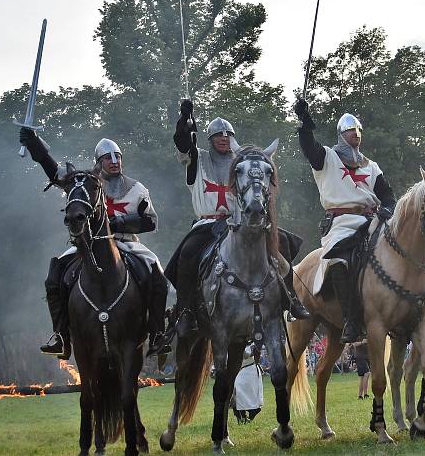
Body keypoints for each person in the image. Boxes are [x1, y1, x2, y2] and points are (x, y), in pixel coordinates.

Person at [18, 129, 170, 358]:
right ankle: (61, 335)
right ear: (99, 162)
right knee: (54, 276)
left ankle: (158, 333)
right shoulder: (84, 183)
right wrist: (35, 144)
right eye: (108, 157)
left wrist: (118, 223)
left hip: (127, 244)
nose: (114, 161)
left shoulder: (137, 189)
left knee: (157, 275)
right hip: (90, 244)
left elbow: (150, 221)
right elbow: (54, 171)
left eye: (117, 156)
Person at [167, 99, 309, 336]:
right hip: (208, 224)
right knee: (188, 252)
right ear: (210, 139)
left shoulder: (242, 163)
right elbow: (183, 144)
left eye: (227, 135)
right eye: (218, 135)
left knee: (282, 242)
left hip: (239, 223)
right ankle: (185, 311)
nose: (223, 138)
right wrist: (185, 119)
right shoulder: (197, 159)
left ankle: (291, 298)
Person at [294, 98, 396, 344]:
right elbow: (309, 147)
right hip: (340, 223)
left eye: (358, 130)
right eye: (351, 130)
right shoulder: (326, 158)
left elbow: (388, 195)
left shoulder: (371, 167)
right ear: (341, 134)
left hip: (371, 221)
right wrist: (305, 122)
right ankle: (351, 320)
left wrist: (389, 209)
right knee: (339, 259)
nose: (356, 134)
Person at [232, 344, 263, 423]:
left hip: (250, 369)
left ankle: (249, 412)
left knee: (239, 391)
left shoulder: (252, 344)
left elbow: (246, 355)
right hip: (243, 370)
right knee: (237, 393)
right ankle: (245, 415)